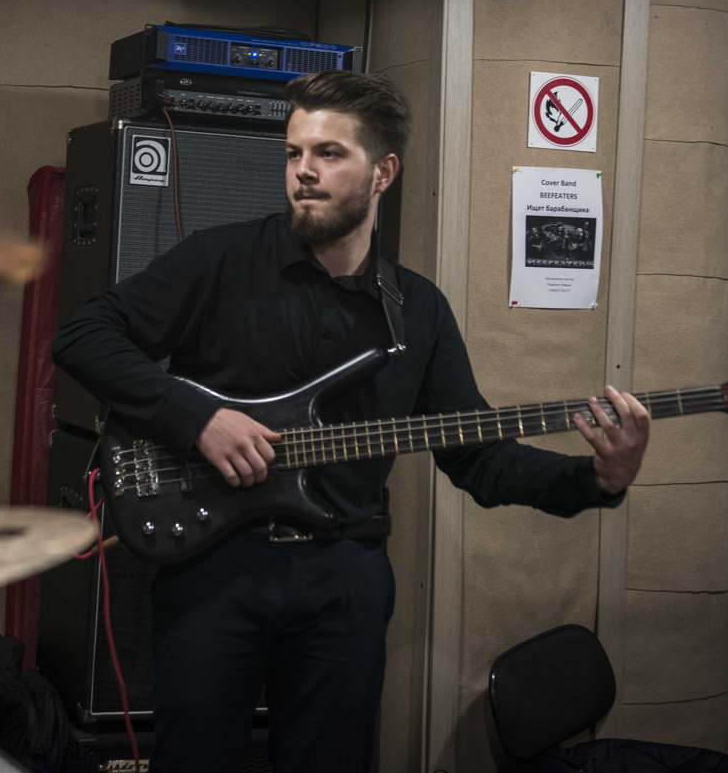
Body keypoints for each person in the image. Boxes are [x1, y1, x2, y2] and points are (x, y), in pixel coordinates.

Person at [51, 70, 649, 773]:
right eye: (294, 153)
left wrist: (596, 477)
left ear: (383, 171)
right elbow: (83, 333)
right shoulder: (220, 261)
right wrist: (198, 416)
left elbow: (480, 459)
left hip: (344, 577)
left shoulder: (415, 309)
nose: (303, 171)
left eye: (329, 153)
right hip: (216, 567)